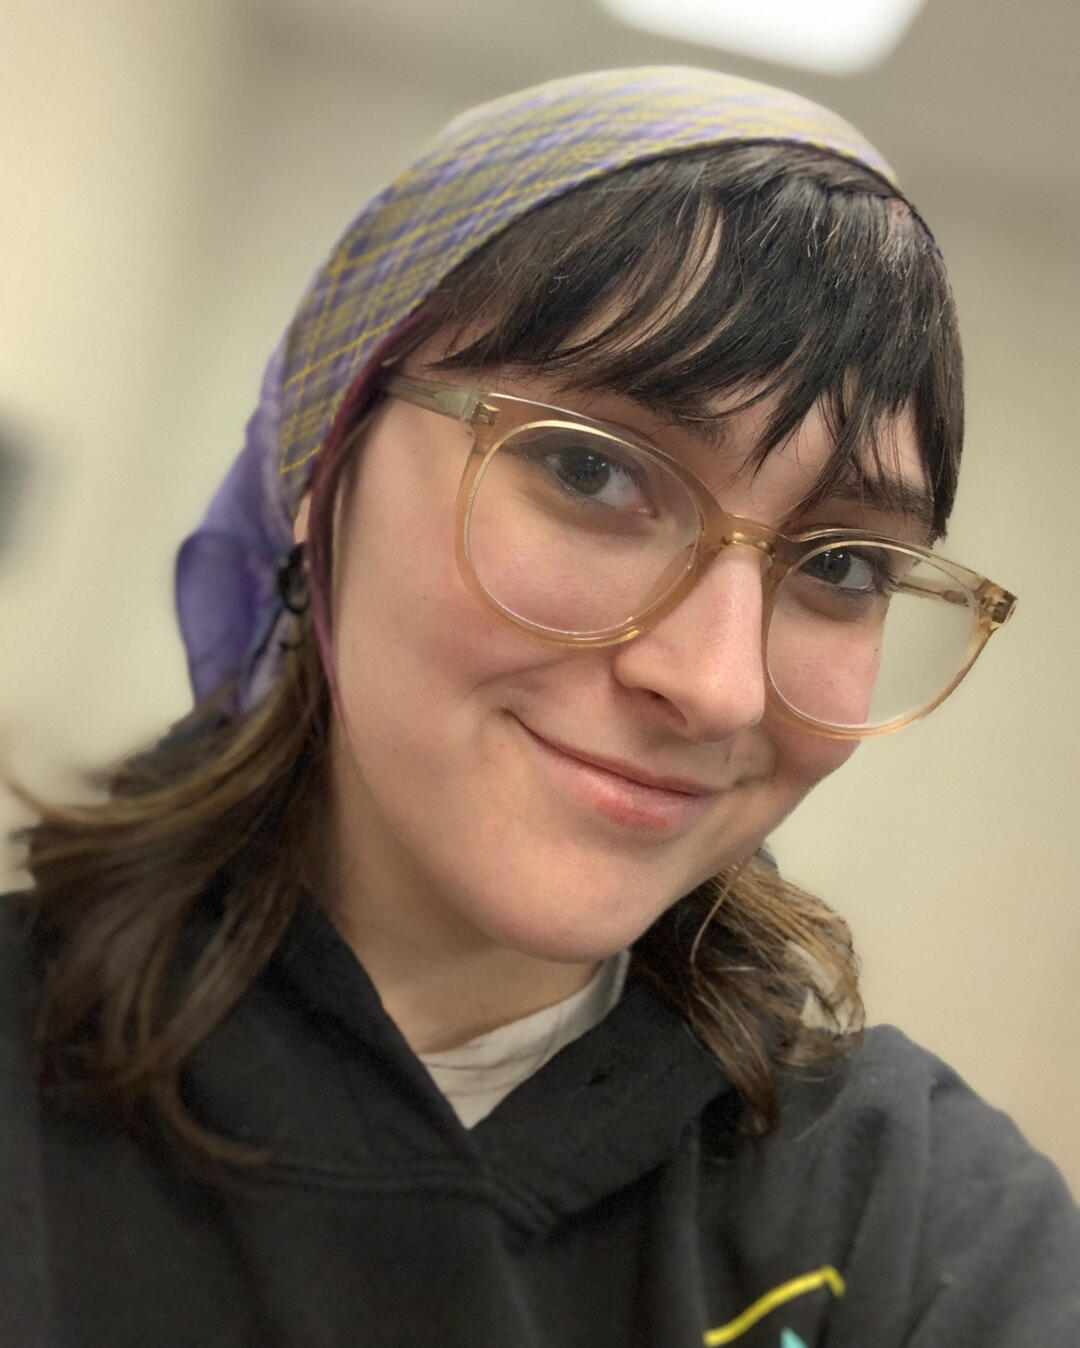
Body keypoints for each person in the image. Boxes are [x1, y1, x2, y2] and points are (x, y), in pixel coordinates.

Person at [2, 66, 1077, 1348]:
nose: (717, 685)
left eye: (842, 565)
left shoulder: (916, 1222)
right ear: (326, 464)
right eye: (590, 470)